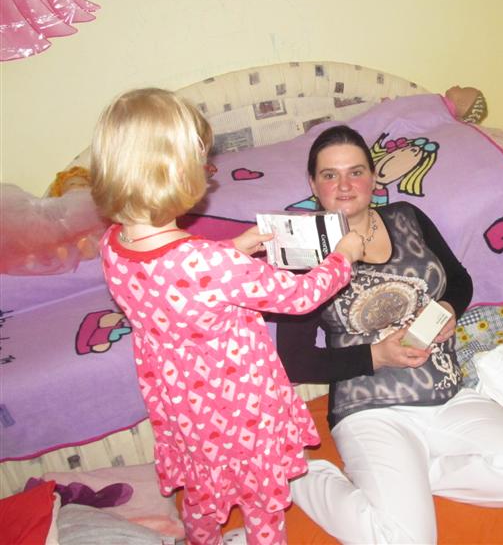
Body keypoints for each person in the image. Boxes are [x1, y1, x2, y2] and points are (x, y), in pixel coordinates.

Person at [89, 88, 365, 545]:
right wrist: (343, 256)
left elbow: (177, 282)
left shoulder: (114, 243)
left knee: (202, 490)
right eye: (203, 162)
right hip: (238, 405)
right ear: (177, 171)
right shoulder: (209, 264)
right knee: (262, 499)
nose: (208, 171)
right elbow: (299, 296)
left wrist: (234, 248)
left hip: (183, 403)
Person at [275, 124, 503, 544]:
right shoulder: (302, 251)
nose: (345, 185)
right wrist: (377, 355)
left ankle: (420, 475)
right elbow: (294, 361)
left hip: (448, 395)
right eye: (330, 175)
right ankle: (301, 476)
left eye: (356, 172)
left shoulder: (406, 217)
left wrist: (447, 308)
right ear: (313, 185)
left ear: (373, 177)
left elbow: (459, 280)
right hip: (372, 410)